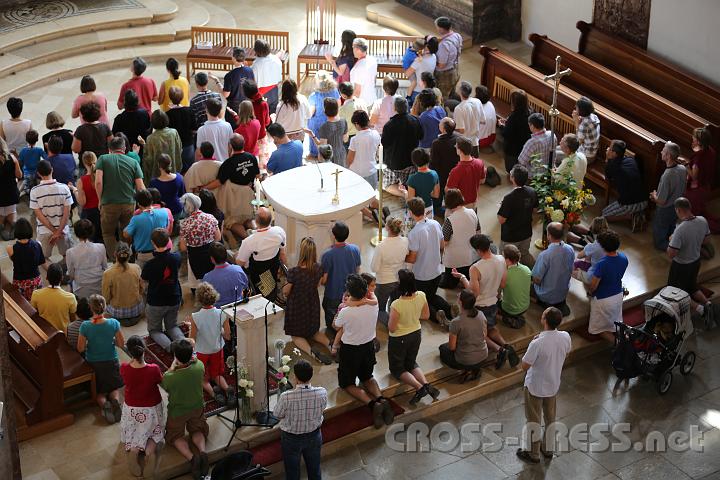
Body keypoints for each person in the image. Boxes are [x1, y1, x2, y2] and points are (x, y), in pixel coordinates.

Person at [332, 274, 394, 428]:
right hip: (368, 346)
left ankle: (372, 404)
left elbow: (336, 326)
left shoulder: (346, 311)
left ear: (350, 293)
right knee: (368, 376)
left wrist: (345, 307)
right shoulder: (374, 303)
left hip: (351, 350)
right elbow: (369, 298)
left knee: (347, 383)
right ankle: (381, 399)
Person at [453, 234, 518, 368]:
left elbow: (473, 294)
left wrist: (463, 278)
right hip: (493, 302)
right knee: (491, 327)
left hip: (479, 306)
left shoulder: (476, 268)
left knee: (481, 334)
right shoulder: (501, 259)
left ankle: (500, 350)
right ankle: (506, 345)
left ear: (477, 250)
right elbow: (503, 283)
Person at [516, 307, 571, 464]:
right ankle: (547, 449)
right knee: (550, 418)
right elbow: (566, 353)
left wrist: (533, 344)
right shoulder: (565, 337)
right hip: (553, 384)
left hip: (535, 386)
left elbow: (524, 366)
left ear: (544, 320)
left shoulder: (537, 343)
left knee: (533, 419)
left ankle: (533, 454)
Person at [388, 269, 441, 405]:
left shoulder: (396, 304)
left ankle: (419, 388)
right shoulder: (422, 295)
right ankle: (427, 384)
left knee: (397, 368)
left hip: (399, 338)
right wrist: (412, 315)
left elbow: (392, 328)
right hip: (416, 333)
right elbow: (426, 316)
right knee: (411, 362)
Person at [161, 338, 210, 479]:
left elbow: (165, 386)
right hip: (197, 406)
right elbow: (195, 364)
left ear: (176, 356)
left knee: (175, 436)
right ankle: (202, 452)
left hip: (178, 411)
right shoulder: (199, 366)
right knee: (197, 429)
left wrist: (172, 367)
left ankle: (191, 458)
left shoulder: (170, 376)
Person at [120, 336, 165, 478]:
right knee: (154, 433)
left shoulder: (124, 368)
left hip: (132, 408)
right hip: (151, 407)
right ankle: (148, 453)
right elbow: (160, 381)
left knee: (135, 432)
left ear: (130, 352)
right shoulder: (153, 369)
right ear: (144, 350)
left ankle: (134, 450)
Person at [274, 359, 327, 480]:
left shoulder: (286, 397)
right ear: (311, 375)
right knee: (315, 470)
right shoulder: (322, 392)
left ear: (295, 376)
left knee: (292, 473)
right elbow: (322, 408)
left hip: (291, 439)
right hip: (314, 435)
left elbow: (277, 414)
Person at [283, 237, 333, 364]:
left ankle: (311, 353)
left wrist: (284, 286)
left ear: (302, 252)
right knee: (314, 332)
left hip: (298, 305)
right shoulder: (318, 268)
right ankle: (332, 345)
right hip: (312, 304)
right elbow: (318, 285)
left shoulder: (294, 271)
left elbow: (286, 292)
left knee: (296, 336)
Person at [95, 136, 146, 258]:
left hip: (108, 203)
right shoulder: (133, 162)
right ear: (124, 148)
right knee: (126, 232)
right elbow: (140, 187)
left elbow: (98, 182)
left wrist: (100, 199)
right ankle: (126, 257)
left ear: (109, 149)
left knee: (108, 233)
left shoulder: (102, 159)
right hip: (128, 203)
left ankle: (115, 260)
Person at [77, 294, 124, 424]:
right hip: (111, 360)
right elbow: (121, 344)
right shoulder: (114, 323)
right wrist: (111, 340)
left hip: (94, 363)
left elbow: (80, 348)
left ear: (90, 308)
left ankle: (104, 405)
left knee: (100, 393)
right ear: (105, 307)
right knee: (114, 389)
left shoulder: (85, 326)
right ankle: (115, 401)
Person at [667, 197, 714, 328]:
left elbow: (671, 254)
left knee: (675, 293)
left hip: (681, 266)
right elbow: (707, 240)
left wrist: (671, 240)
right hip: (696, 261)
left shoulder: (680, 229)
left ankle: (701, 309)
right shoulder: (702, 220)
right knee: (691, 286)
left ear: (678, 210)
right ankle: (708, 303)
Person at [405, 197, 452, 323]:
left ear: (411, 212)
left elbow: (412, 259)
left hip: (422, 276)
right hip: (437, 272)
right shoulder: (435, 223)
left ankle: (436, 316)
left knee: (421, 301)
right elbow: (442, 246)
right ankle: (449, 309)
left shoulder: (414, 233)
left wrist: (402, 257)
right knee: (431, 296)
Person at [206, 133, 260, 239]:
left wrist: (204, 187)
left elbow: (219, 182)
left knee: (232, 222)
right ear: (243, 144)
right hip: (248, 193)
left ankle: (247, 238)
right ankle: (257, 233)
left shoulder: (228, 163)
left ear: (230, 146)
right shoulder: (252, 157)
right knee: (248, 219)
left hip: (235, 197)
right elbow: (257, 175)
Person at [190, 282, 234, 405]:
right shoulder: (222, 313)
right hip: (217, 348)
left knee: (202, 378)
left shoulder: (195, 317)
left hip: (202, 351)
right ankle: (227, 389)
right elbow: (227, 336)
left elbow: (192, 339)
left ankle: (214, 394)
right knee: (217, 374)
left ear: (199, 299)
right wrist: (219, 330)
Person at [142, 228, 184, 352]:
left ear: (153, 243)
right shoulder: (176, 257)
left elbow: (143, 280)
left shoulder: (150, 264)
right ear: (169, 241)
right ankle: (183, 345)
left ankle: (170, 347)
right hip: (174, 298)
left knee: (155, 330)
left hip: (156, 301)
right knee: (172, 326)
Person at [587, 230, 628, 343]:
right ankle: (627, 339)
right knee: (614, 324)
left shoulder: (602, 263)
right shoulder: (624, 258)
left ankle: (620, 345)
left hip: (603, 299)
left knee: (597, 329)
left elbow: (594, 286)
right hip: (618, 295)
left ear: (603, 247)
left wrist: (590, 292)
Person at [320, 221, 361, 333]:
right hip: (349, 293)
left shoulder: (328, 254)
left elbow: (324, 280)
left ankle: (334, 338)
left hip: (333, 294)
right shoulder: (355, 249)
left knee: (332, 321)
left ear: (333, 235)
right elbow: (357, 271)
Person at [439, 289, 489, 380]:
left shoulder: (456, 322)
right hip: (483, 356)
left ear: (460, 302)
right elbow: (484, 336)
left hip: (465, 360)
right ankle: (473, 370)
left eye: (458, 296)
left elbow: (452, 347)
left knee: (443, 349)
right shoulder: (481, 315)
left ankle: (467, 370)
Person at [30, 160, 73, 259]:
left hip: (44, 230)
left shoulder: (34, 191)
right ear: (52, 170)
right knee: (67, 256)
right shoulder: (65, 188)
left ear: (38, 174)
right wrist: (58, 232)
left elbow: (40, 216)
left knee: (42, 258)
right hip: (63, 230)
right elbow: (67, 215)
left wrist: (54, 231)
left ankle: (51, 273)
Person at [381, 96, 423, 198]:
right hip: (411, 162)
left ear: (395, 108)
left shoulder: (389, 125)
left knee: (385, 185)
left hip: (394, 164)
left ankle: (405, 194)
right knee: (407, 182)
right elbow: (421, 136)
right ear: (407, 107)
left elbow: (384, 143)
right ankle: (407, 188)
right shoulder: (415, 121)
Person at [602, 139, 648, 231]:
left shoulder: (612, 166)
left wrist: (607, 159)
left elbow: (608, 178)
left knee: (604, 215)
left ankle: (631, 216)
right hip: (644, 198)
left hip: (631, 203)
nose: (607, 149)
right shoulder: (630, 160)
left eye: (610, 149)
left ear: (614, 153)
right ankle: (636, 212)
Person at [371, 217, 409, 326]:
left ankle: (392, 325)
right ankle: (397, 321)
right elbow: (406, 255)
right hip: (399, 280)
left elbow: (374, 268)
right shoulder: (405, 241)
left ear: (387, 228)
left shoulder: (381, 246)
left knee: (379, 309)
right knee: (395, 305)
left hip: (384, 282)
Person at [497, 165, 537, 267]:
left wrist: (502, 206)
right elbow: (535, 209)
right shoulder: (532, 191)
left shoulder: (509, 198)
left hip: (511, 237)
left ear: (512, 178)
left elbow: (501, 220)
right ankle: (535, 273)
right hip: (526, 232)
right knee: (525, 254)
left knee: (505, 260)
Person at [532, 222, 575, 316]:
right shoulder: (570, 249)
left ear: (549, 236)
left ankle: (543, 303)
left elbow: (537, 280)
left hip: (546, 294)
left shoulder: (545, 255)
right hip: (563, 293)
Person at [440, 188, 480, 289]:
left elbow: (445, 242)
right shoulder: (472, 212)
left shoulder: (450, 220)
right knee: (467, 275)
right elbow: (478, 232)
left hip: (454, 259)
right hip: (470, 256)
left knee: (448, 283)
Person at [235, 207, 287, 284]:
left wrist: (236, 256)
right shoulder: (280, 231)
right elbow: (282, 254)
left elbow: (240, 263)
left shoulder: (248, 242)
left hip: (256, 275)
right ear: (271, 219)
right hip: (273, 269)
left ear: (256, 222)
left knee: (234, 256)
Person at [650, 141, 686, 251]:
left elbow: (661, 201)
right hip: (677, 206)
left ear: (668, 156)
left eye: (663, 151)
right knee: (671, 228)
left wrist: (654, 196)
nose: (661, 152)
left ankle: (676, 249)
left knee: (659, 240)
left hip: (665, 210)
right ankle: (675, 243)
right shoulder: (682, 169)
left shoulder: (667, 175)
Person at [179, 193, 221, 285]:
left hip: (195, 256)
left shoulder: (185, 224)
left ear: (186, 207)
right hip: (211, 253)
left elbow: (183, 248)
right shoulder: (210, 217)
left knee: (200, 281)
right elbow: (218, 238)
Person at [124, 189, 171, 267]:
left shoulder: (136, 219)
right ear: (151, 201)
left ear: (138, 204)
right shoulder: (164, 213)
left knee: (142, 277)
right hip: (162, 252)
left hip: (144, 256)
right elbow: (166, 229)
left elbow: (126, 234)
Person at [685, 127, 719, 233]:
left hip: (696, 191)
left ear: (698, 141)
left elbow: (694, 176)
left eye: (694, 138)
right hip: (706, 186)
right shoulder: (711, 151)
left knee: (696, 216)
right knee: (702, 211)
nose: (692, 139)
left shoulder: (698, 156)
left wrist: (686, 166)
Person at [103, 242, 144, 327]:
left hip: (117, 313)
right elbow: (142, 288)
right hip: (136, 310)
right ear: (129, 255)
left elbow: (106, 296)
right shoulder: (136, 268)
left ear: (115, 254)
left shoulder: (108, 273)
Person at [66, 219, 107, 298]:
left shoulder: (70, 252)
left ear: (76, 233)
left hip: (81, 289)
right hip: (99, 287)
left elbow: (71, 274)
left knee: (69, 282)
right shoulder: (101, 247)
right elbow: (105, 267)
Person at [30, 263, 77, 332]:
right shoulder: (70, 297)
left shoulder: (36, 294)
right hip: (63, 335)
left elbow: (34, 314)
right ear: (62, 278)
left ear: (47, 277)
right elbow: (73, 320)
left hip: (45, 334)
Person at [7, 218, 45, 301]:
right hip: (35, 281)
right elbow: (40, 262)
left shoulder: (10, 248)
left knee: (22, 305)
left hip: (20, 282)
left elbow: (14, 260)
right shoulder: (38, 244)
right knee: (37, 303)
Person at [203, 242, 248, 307]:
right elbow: (245, 286)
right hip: (239, 306)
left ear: (212, 259)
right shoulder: (238, 270)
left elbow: (207, 300)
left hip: (220, 312)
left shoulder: (207, 278)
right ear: (226, 255)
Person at [429, 117, 460, 213]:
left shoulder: (437, 143)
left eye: (440, 123)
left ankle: (438, 209)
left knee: (440, 192)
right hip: (454, 170)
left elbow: (434, 162)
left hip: (441, 173)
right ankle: (452, 205)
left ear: (443, 129)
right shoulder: (458, 138)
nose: (439, 124)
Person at [445, 136, 486, 207]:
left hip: (461, 205)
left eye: (456, 146)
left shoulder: (456, 171)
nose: (455, 147)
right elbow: (482, 181)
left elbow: (448, 191)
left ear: (460, 150)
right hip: (474, 201)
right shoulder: (480, 162)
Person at [143, 109, 182, 182]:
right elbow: (179, 150)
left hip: (157, 176)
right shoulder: (174, 133)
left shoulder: (151, 138)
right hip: (172, 172)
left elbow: (148, 160)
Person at [307, 71, 340, 157]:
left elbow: (311, 113)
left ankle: (315, 153)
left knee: (311, 123)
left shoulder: (314, 96)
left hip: (318, 124)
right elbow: (338, 104)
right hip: (331, 119)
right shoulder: (335, 91)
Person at [308, 97, 348, 167]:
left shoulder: (324, 127)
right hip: (341, 154)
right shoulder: (343, 121)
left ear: (325, 111)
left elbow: (323, 148)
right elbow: (345, 139)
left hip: (331, 158)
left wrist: (311, 134)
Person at [347, 109, 381, 187]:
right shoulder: (376, 134)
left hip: (357, 173)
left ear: (357, 124)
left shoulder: (355, 139)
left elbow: (350, 159)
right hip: (372, 170)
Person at [166, 86, 196, 173]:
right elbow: (194, 129)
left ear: (170, 98)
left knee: (176, 171)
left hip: (174, 147)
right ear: (182, 97)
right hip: (188, 144)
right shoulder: (189, 111)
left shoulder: (167, 114)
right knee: (190, 170)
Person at [501, 89, 532, 173]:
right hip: (525, 147)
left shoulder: (514, 117)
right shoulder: (531, 112)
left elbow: (506, 134)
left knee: (510, 170)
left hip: (513, 149)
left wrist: (502, 125)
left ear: (515, 103)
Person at [500, 244, 532, 324]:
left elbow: (497, 292)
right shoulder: (527, 269)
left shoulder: (505, 274)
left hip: (511, 310)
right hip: (525, 306)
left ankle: (508, 318)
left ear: (507, 260)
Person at [517, 113, 556, 178]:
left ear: (532, 126)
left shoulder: (532, 142)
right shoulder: (552, 135)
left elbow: (521, 161)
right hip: (550, 173)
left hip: (535, 177)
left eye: (529, 125)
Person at [195, 97, 233, 163]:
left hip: (209, 165)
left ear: (206, 110)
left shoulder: (201, 130)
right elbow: (230, 147)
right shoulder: (228, 126)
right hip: (225, 164)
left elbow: (199, 152)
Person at [572, 216, 608, 285]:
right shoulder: (611, 241)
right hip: (607, 272)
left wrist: (587, 248)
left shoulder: (592, 246)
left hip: (595, 275)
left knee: (573, 265)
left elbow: (579, 256)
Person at [453, 81, 485, 156]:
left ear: (460, 92)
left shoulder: (459, 108)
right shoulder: (477, 101)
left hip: (465, 145)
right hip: (475, 142)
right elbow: (483, 121)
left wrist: (452, 126)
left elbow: (461, 130)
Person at [217, 47, 255, 112]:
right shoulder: (250, 70)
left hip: (234, 107)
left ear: (233, 58)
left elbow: (225, 94)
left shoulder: (229, 75)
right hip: (248, 105)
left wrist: (217, 82)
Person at [433, 16, 462, 99]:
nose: (437, 29)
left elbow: (441, 65)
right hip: (455, 70)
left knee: (442, 97)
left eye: (437, 27)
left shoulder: (444, 45)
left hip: (445, 75)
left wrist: (432, 60)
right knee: (451, 92)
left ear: (441, 29)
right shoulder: (457, 36)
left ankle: (444, 111)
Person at [251, 38, 283, 113]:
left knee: (262, 114)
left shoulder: (256, 65)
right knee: (272, 114)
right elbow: (275, 57)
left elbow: (253, 81)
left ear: (256, 50)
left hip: (262, 92)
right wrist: (281, 52)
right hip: (274, 90)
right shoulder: (276, 60)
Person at [406, 148, 440, 216]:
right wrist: (426, 193)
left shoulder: (412, 178)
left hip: (416, 211)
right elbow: (436, 195)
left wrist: (404, 193)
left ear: (414, 162)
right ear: (428, 159)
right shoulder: (434, 174)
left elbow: (411, 202)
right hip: (429, 208)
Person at [150, 153, 186, 218]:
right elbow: (182, 194)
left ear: (159, 166)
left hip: (162, 213)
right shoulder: (179, 177)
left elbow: (152, 201)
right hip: (177, 210)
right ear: (170, 163)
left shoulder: (153, 183)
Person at [0, 138, 21, 240]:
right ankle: (12, 225)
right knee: (12, 215)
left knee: (1, 217)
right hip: (11, 194)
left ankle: (3, 225)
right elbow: (19, 175)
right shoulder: (12, 158)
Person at [350, 37, 378, 106]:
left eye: (353, 47)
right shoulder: (373, 60)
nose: (352, 50)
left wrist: (349, 104)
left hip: (362, 104)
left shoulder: (359, 68)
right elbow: (374, 80)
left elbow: (357, 92)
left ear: (358, 50)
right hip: (372, 98)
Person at [242, 80, 271, 147]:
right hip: (261, 137)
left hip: (249, 137)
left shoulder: (246, 105)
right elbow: (267, 122)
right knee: (262, 157)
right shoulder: (264, 104)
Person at [573, 96, 600, 163]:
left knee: (556, 155)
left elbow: (577, 142)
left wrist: (576, 122)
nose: (575, 107)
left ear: (581, 110)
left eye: (576, 107)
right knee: (558, 149)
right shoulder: (594, 116)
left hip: (586, 157)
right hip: (592, 153)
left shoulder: (584, 125)